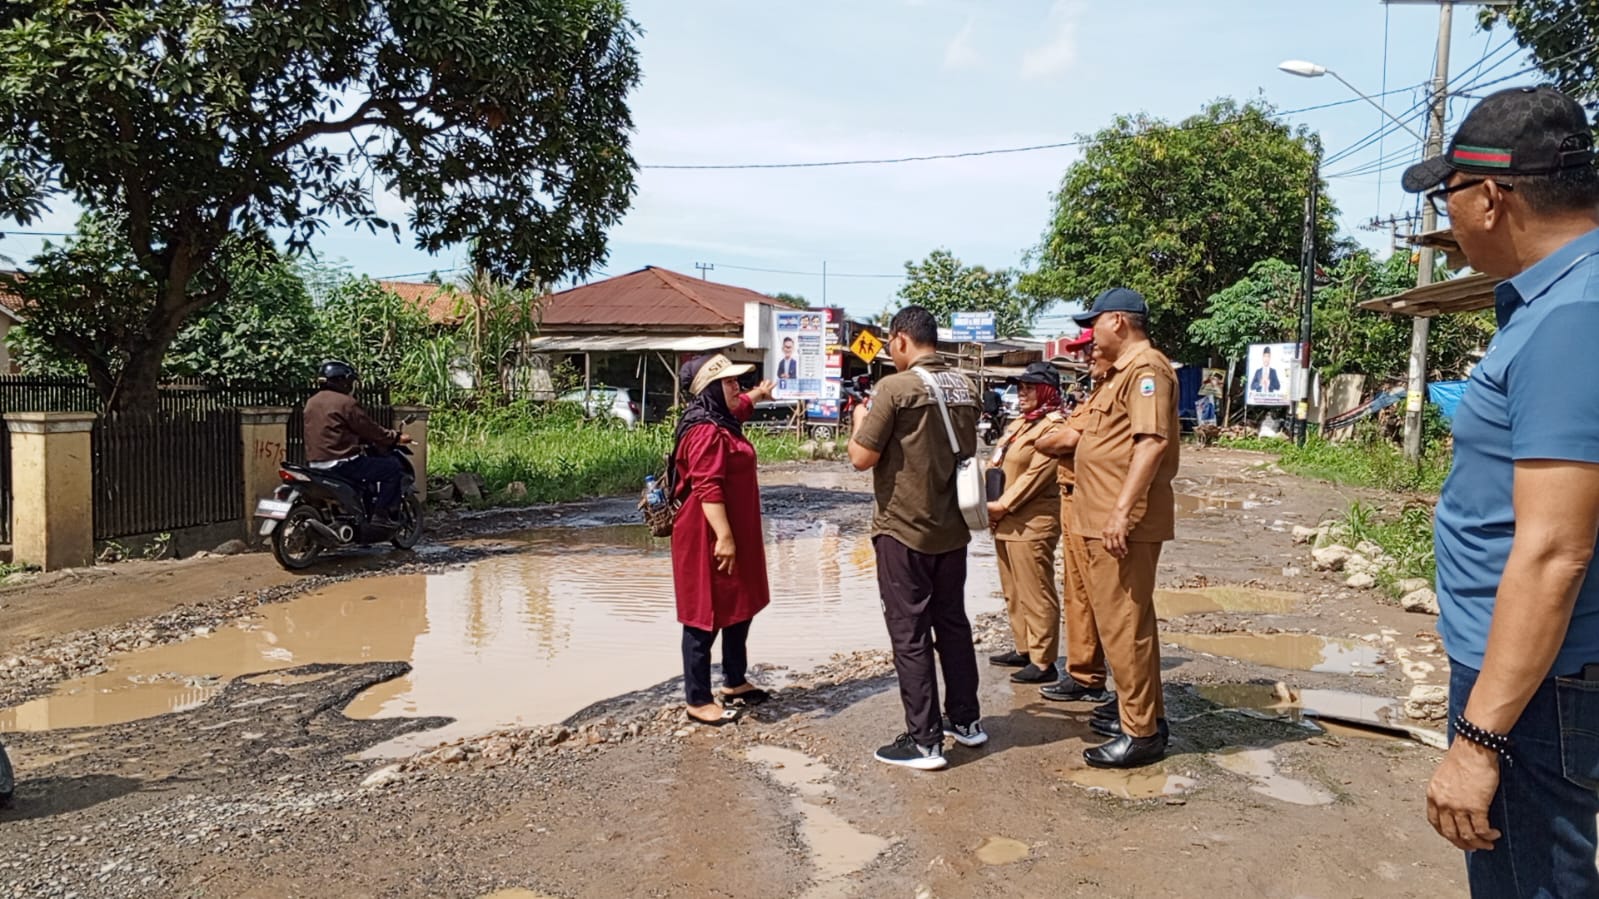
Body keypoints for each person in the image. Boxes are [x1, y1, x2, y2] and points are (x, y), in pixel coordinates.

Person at [1402, 85, 1599, 897]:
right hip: (1531, 678)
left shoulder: (1570, 320)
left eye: (1446, 193)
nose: (1445, 216)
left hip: (1532, 692)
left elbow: (1553, 550)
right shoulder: (1555, 302)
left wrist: (1478, 739)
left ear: (1491, 194)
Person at [1045, 288, 1179, 769]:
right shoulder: (1122, 375)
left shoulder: (1146, 371)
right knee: (1127, 624)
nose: (1091, 332)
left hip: (1117, 523)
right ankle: (1146, 717)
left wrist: (1121, 511)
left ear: (1118, 321)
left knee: (1124, 627)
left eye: (1095, 323)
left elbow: (1151, 443)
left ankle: (1140, 732)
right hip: (1097, 517)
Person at [848, 305, 985, 770]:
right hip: (953, 529)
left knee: (909, 633)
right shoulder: (967, 386)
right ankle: (966, 722)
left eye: (890, 342)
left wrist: (856, 423)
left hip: (903, 529)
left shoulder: (894, 387)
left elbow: (862, 458)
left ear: (902, 340)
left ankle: (924, 740)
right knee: (953, 624)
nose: (889, 350)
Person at [670, 354, 777, 726]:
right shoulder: (705, 431)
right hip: (707, 533)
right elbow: (707, 486)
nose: (738, 388)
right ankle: (698, 699)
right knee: (704, 613)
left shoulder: (724, 419)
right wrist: (725, 537)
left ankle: (734, 681)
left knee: (740, 601)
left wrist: (759, 394)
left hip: (730, 530)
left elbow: (743, 406)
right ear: (711, 390)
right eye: (730, 383)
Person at [1038, 334, 1113, 705]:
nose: (1085, 358)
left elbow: (1064, 441)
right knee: (1077, 593)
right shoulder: (1097, 391)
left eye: (1089, 350)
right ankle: (1084, 674)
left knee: (1106, 599)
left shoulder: (1120, 387)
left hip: (1094, 500)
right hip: (1072, 497)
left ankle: (1118, 693)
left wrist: (1047, 439)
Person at [985, 361, 1067, 684]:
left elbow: (1035, 476)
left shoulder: (1054, 427)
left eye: (1030, 387)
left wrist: (1002, 505)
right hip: (1004, 519)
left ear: (1047, 390)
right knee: (1013, 590)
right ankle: (1024, 648)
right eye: (1020, 387)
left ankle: (1045, 661)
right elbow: (1000, 463)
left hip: (1032, 522)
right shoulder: (1020, 423)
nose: (1022, 393)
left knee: (1036, 591)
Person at [303, 360, 412, 523]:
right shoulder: (345, 403)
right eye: (349, 381)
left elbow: (334, 430)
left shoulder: (312, 402)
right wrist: (395, 437)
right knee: (393, 468)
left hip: (315, 465)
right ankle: (381, 515)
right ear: (342, 381)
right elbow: (369, 428)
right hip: (342, 464)